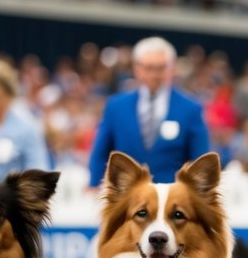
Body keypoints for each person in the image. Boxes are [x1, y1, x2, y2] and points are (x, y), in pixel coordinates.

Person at [88, 36, 209, 186]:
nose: (154, 74)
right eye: (148, 68)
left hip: (171, 193)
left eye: (160, 68)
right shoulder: (116, 106)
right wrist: (94, 184)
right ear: (137, 68)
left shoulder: (191, 108)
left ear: (172, 69)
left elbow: (199, 161)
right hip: (126, 193)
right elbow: (100, 153)